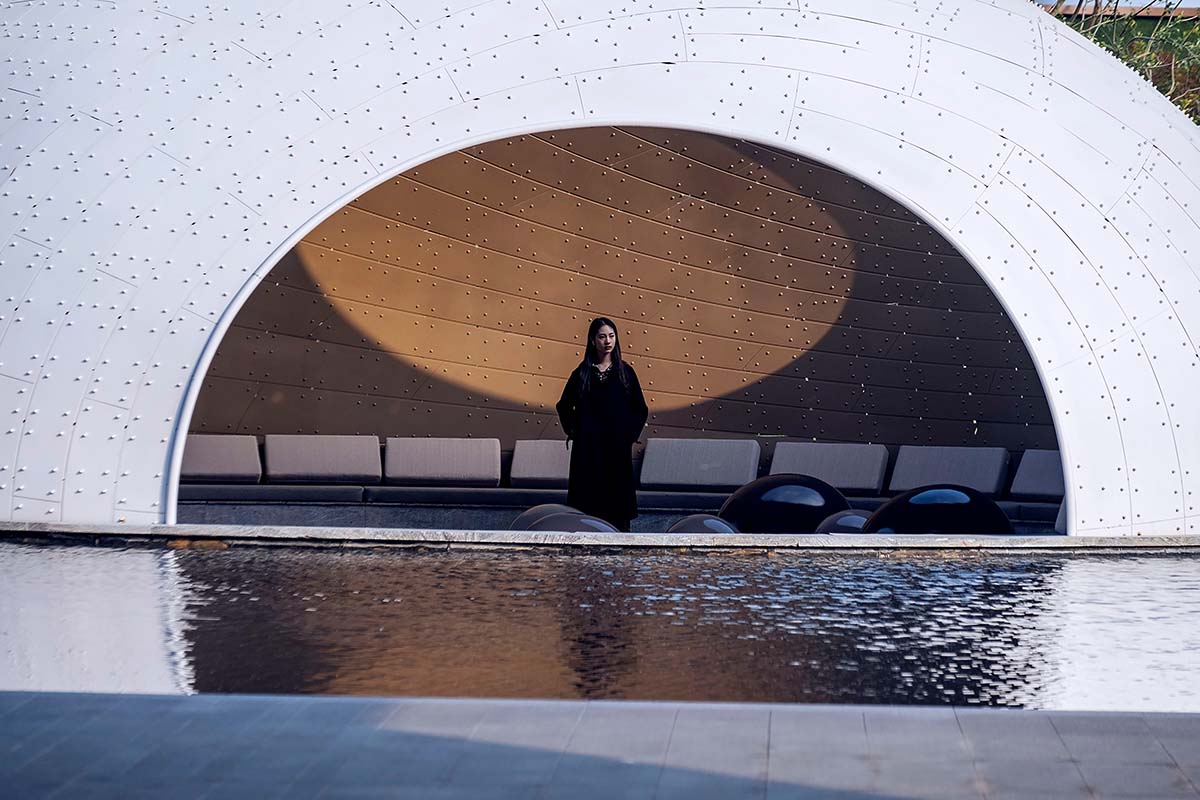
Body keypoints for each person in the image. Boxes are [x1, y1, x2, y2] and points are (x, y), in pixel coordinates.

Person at [555, 317, 649, 532]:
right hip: (588, 448)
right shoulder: (582, 373)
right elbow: (563, 406)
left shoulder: (625, 372)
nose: (608, 341)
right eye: (602, 336)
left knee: (617, 501)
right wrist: (575, 432)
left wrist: (628, 435)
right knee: (587, 500)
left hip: (616, 447)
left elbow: (640, 409)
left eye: (611, 336)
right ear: (592, 340)